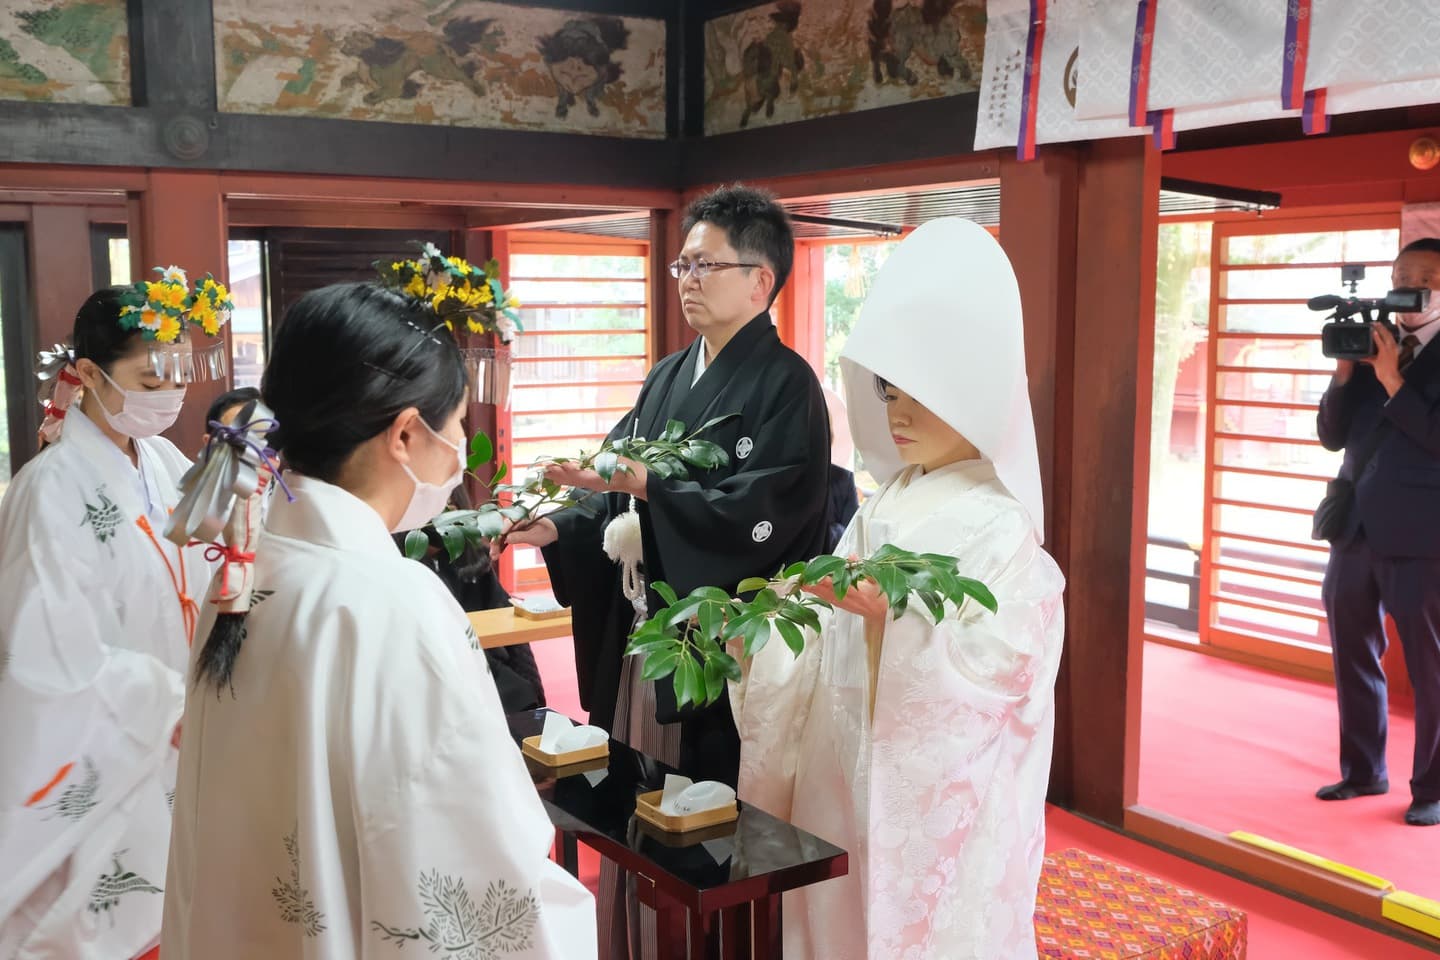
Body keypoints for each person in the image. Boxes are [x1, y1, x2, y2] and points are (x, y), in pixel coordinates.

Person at [162, 283, 595, 958]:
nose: (459, 449)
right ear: (404, 434)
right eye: (455, 426)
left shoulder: (246, 568)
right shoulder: (393, 604)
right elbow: (470, 860)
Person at [499, 183, 830, 960]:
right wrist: (556, 525)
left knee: (711, 824)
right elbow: (612, 491)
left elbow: (769, 511)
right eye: (682, 263)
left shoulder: (790, 388)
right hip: (652, 633)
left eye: (705, 265)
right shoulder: (669, 375)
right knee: (640, 804)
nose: (686, 278)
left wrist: (654, 489)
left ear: (761, 279)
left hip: (726, 645)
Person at [730, 218, 1066, 959]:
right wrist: (768, 645)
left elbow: (999, 687)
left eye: (923, 391)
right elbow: (817, 637)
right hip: (836, 780)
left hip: (932, 821)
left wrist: (896, 635)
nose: (898, 412)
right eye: (888, 389)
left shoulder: (1002, 530)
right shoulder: (886, 503)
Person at [0, 287, 212, 960]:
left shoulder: (165, 463)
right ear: (87, 374)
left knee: (193, 901)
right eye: (151, 378)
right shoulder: (50, 488)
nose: (169, 394)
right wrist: (157, 698)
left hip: (188, 726)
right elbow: (43, 651)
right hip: (120, 735)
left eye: (178, 375)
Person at [1316, 236, 1440, 827]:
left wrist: (1394, 380)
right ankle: (1363, 771)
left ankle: (1433, 789)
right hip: (1356, 527)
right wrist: (1347, 374)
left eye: (1425, 275)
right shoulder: (1371, 339)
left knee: (1430, 665)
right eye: (1402, 274)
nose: (1410, 285)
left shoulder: (1397, 357)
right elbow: (1333, 436)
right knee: (1351, 650)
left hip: (1424, 536)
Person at [395, 485, 547, 714]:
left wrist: (534, 691)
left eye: (451, 505)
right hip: (435, 677)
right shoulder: (400, 565)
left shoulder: (475, 559)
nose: (443, 512)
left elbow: (510, 631)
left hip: (488, 667)